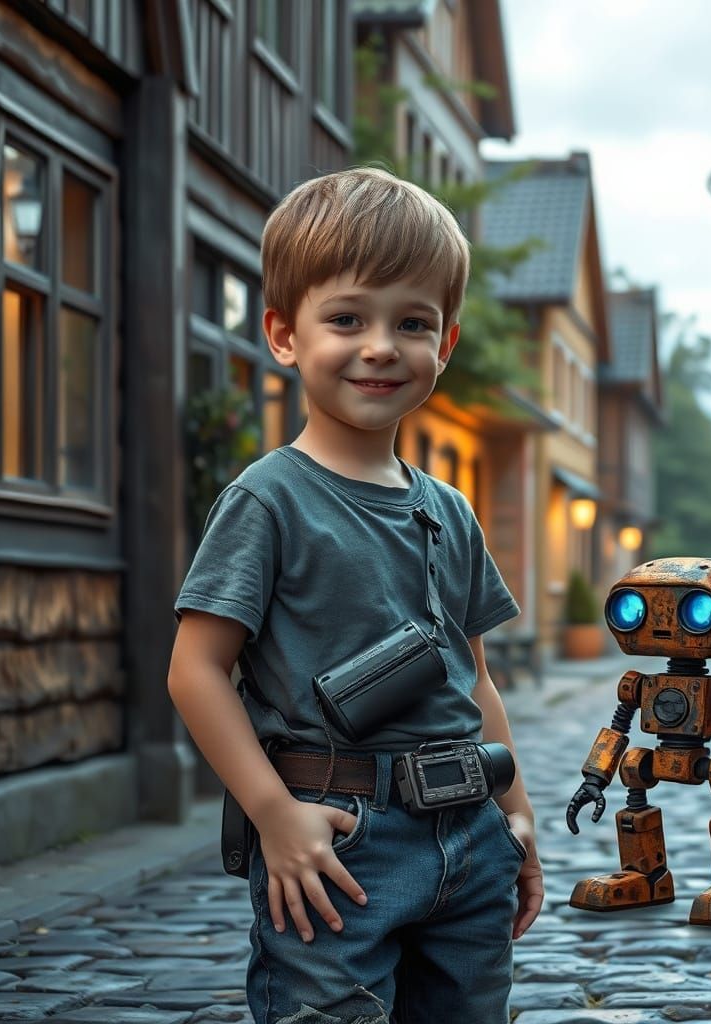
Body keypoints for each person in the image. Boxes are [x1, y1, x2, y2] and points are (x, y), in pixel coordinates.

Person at [168, 166, 543, 1024]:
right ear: (283, 334)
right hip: (338, 843)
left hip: (469, 834)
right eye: (347, 319)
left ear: (445, 343)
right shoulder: (268, 501)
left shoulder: (451, 510)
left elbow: (475, 680)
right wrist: (274, 815)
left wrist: (515, 817)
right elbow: (195, 671)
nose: (380, 347)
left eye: (412, 323)